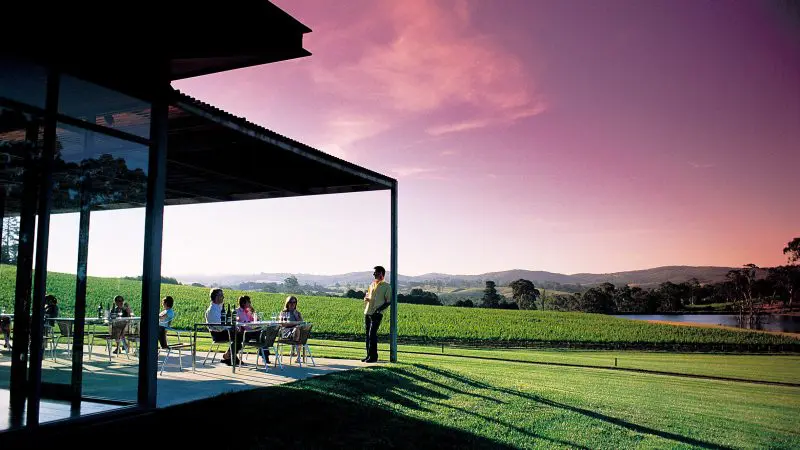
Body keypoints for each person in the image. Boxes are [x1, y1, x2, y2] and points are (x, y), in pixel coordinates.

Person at [363, 265, 391, 363]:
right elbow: (368, 296)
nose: (374, 274)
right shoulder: (372, 285)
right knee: (367, 335)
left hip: (377, 313)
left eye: (375, 272)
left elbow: (388, 301)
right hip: (368, 312)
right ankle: (368, 356)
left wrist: (379, 310)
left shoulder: (387, 286)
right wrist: (366, 298)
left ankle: (374, 357)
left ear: (381, 273)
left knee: (372, 335)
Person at [204, 288, 239, 365]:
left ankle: (229, 355)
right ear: (216, 297)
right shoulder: (212, 310)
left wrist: (232, 327)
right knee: (239, 335)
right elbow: (219, 326)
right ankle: (229, 356)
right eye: (222, 295)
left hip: (223, 332)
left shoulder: (219, 308)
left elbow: (225, 323)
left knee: (241, 334)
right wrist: (231, 328)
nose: (223, 297)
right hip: (218, 334)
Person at [236, 295, 269, 363]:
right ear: (243, 303)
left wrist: (253, 312)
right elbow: (237, 324)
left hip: (250, 331)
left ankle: (264, 355)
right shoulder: (237, 312)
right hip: (243, 333)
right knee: (260, 333)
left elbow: (256, 320)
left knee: (261, 332)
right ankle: (264, 355)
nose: (250, 303)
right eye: (249, 302)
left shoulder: (247, 311)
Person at [278, 296, 303, 363]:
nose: (292, 304)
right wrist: (293, 324)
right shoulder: (283, 312)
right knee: (297, 330)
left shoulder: (297, 313)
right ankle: (296, 352)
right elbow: (282, 324)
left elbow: (302, 323)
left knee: (297, 330)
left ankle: (295, 351)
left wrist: (296, 316)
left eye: (294, 302)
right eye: (290, 302)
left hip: (295, 331)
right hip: (286, 332)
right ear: (287, 303)